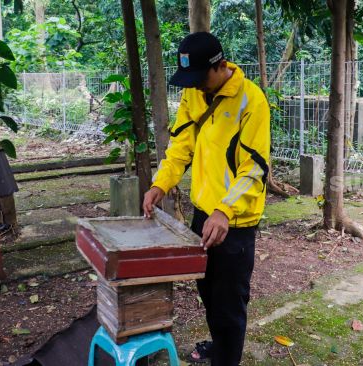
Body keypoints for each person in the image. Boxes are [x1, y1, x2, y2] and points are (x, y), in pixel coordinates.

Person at [142, 32, 271, 365]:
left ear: (221, 66)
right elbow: (180, 147)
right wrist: (160, 184)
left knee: (229, 304)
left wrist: (225, 211)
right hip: (204, 215)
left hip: (233, 223)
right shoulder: (194, 94)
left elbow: (254, 170)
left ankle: (226, 358)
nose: (195, 85)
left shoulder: (251, 101)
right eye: (190, 79)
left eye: (200, 77)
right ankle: (221, 347)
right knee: (208, 293)